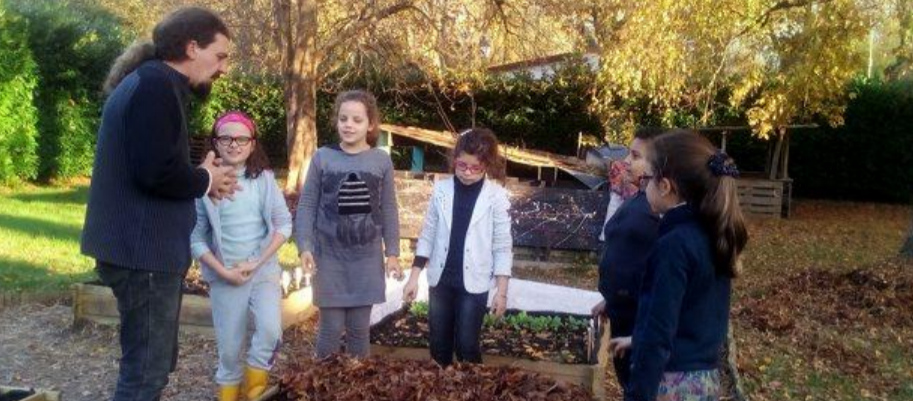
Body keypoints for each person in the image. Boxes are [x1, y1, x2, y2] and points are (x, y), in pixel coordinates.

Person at [80, 7, 236, 401]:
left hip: (141, 254)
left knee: (151, 367)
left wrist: (202, 182)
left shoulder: (153, 84)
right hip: (141, 256)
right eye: (219, 57)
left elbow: (155, 167)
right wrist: (205, 178)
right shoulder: (155, 88)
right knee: (144, 376)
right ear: (191, 47)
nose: (223, 69)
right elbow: (154, 173)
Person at [613, 129, 748, 401]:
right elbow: (693, 315)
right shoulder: (711, 234)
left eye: (648, 179)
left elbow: (658, 333)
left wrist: (637, 393)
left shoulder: (673, 245)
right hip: (704, 383)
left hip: (671, 386)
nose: (644, 186)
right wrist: (636, 339)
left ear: (665, 186)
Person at [190, 111, 291, 401]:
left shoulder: (264, 180)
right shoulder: (203, 186)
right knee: (230, 348)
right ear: (215, 143)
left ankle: (256, 387)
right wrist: (223, 272)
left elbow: (284, 224)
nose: (234, 145)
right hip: (226, 277)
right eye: (226, 138)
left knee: (271, 331)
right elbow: (195, 238)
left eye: (242, 139)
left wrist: (258, 261)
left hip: (262, 272)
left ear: (252, 143)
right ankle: (229, 393)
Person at [295, 89, 402, 358]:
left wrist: (392, 254)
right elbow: (307, 205)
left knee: (358, 331)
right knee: (330, 329)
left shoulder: (381, 160)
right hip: (329, 258)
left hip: (366, 261)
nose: (349, 125)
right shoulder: (323, 157)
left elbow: (389, 209)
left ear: (371, 124)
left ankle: (356, 387)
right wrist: (304, 246)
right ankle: (322, 386)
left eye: (356, 119)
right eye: (343, 119)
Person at [402, 128, 512, 366]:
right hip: (441, 280)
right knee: (438, 346)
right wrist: (414, 277)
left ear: (487, 165)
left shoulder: (496, 196)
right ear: (454, 160)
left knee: (466, 346)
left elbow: (502, 247)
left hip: (474, 284)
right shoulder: (441, 190)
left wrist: (501, 292)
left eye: (476, 167)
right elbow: (428, 234)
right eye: (462, 165)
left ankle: (471, 391)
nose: (468, 172)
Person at [591, 127, 664, 392]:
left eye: (635, 156)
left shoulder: (660, 210)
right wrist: (611, 298)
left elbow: (657, 270)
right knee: (628, 385)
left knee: (641, 388)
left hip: (640, 320)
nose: (627, 162)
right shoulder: (638, 198)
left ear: (657, 164)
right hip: (622, 312)